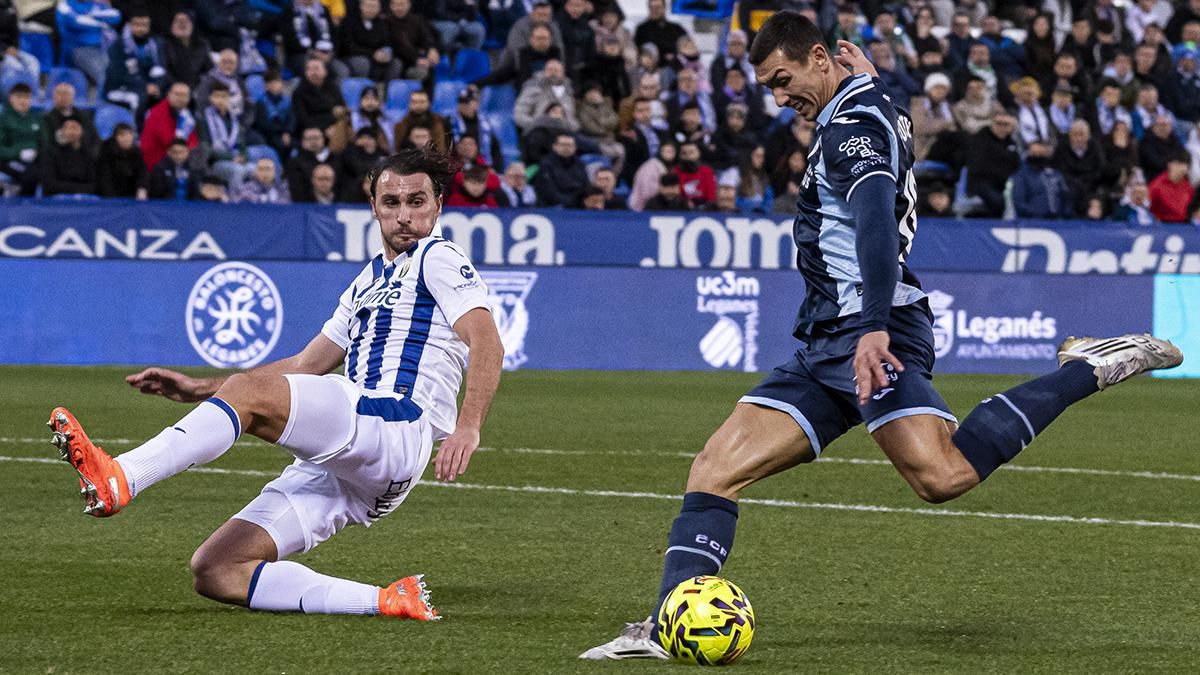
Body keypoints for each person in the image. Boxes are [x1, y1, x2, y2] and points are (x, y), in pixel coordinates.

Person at [580, 14, 1185, 660]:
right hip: (826, 340)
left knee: (942, 472)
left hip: (871, 328)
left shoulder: (851, 127)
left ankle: (1085, 368)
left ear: (819, 57)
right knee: (714, 467)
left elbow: (872, 217)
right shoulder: (871, 105)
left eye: (785, 80)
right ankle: (665, 627)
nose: (781, 98)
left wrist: (872, 329)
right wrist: (864, 81)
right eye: (770, 88)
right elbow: (881, 131)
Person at [50, 146, 504, 621]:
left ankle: (121, 476)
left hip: (394, 422)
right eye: (391, 203)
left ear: (439, 206)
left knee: (247, 393)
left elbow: (486, 340)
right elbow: (307, 365)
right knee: (218, 569)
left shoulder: (438, 257)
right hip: (363, 470)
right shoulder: (368, 280)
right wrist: (203, 388)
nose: (404, 216)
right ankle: (389, 599)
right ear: (373, 207)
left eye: (417, 202)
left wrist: (469, 425)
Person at [56, 0, 121, 85]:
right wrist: (101, 24)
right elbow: (75, 21)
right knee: (105, 76)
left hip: (101, 49)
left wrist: (88, 16)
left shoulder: (96, 3)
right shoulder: (64, 4)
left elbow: (115, 16)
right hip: (78, 49)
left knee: (118, 73)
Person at [141, 81, 199, 171]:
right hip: (157, 161)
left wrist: (190, 148)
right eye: (177, 94)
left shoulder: (185, 114)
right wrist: (188, 148)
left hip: (178, 156)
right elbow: (168, 140)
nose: (181, 98)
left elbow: (193, 140)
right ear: (169, 95)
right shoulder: (157, 112)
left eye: (185, 95)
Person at [0, 82, 42, 195]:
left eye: (27, 97)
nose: (23, 101)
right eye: (19, 97)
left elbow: (44, 142)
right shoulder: (3, 119)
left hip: (34, 159)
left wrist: (37, 152)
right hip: (8, 160)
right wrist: (19, 153)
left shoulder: (37, 118)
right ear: (11, 98)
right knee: (31, 175)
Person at [39, 116, 97, 196]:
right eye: (67, 128)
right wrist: (77, 189)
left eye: (75, 128)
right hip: (56, 201)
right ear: (61, 131)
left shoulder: (88, 154)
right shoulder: (51, 153)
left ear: (82, 131)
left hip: (83, 199)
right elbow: (50, 184)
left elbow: (93, 184)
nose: (71, 132)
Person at [532, 133, 587, 207]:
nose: (566, 148)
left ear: (575, 148)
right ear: (554, 146)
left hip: (577, 205)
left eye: (570, 145)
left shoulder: (580, 164)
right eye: (563, 145)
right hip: (554, 207)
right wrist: (571, 203)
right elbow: (548, 192)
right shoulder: (546, 164)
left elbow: (585, 187)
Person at [162, 10, 212, 90]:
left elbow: (209, 71)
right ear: (171, 26)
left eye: (185, 21)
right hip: (173, 90)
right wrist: (178, 87)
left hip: (197, 90)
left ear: (192, 25)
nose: (182, 24)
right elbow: (164, 71)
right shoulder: (164, 45)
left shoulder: (201, 45)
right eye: (178, 21)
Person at [97, 123, 148, 199]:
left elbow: (142, 174)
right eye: (122, 135)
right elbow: (105, 180)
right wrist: (113, 201)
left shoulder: (137, 153)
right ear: (115, 138)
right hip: (110, 199)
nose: (126, 138)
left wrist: (142, 188)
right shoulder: (106, 154)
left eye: (129, 134)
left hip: (131, 199)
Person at [1147, 153, 1194, 223]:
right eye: (1178, 164)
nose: (1181, 168)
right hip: (1163, 225)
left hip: (1185, 225)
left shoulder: (1188, 186)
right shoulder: (1157, 185)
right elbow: (1148, 207)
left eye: (1185, 165)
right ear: (1169, 165)